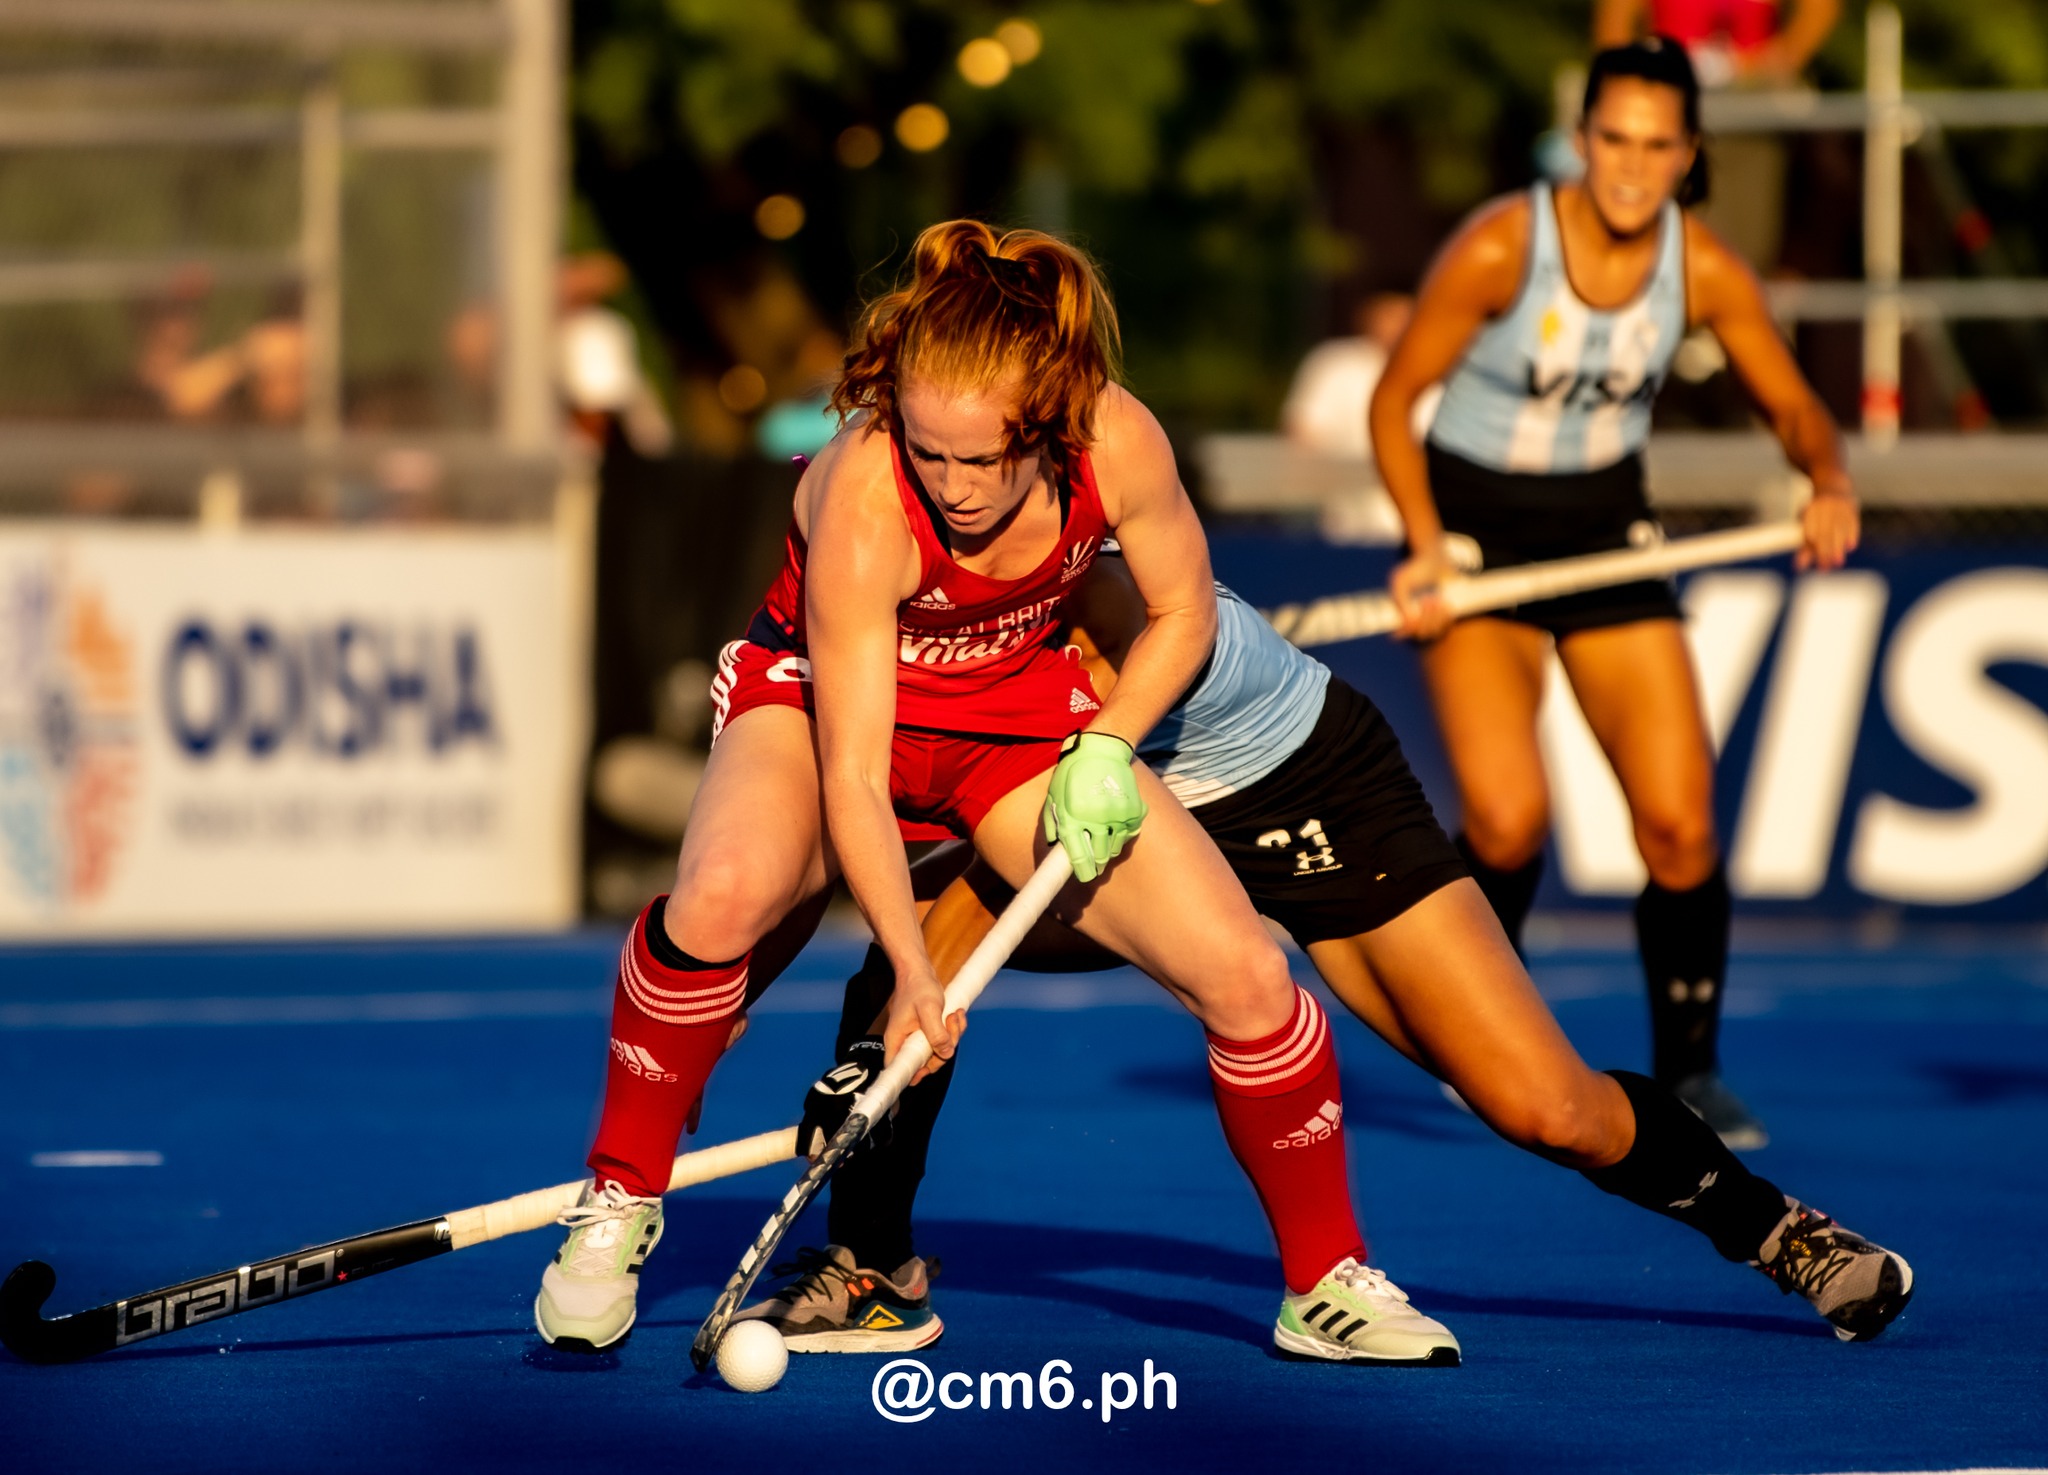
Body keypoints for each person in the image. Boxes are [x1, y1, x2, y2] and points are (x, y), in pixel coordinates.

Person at [533, 220, 1458, 1366]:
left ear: (1052, 414)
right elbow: (858, 776)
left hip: (1015, 721)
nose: (956, 487)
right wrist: (911, 975)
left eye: (985, 458)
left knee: (1247, 971)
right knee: (722, 892)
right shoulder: (864, 497)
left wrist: (1110, 746)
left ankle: (1325, 1278)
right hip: (825, 705)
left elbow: (1184, 613)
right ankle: (619, 1194)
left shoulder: (1116, 440)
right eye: (931, 452)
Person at [739, 550, 1913, 1354]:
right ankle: (873, 1265)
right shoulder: (875, 611)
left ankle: (1772, 1228)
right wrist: (785, 993)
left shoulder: (1050, 584)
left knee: (1544, 1104)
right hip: (1128, 824)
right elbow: (896, 844)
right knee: (898, 979)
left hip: (1304, 790)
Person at [1366, 39, 1861, 1149]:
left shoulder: (1703, 268)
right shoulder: (1502, 245)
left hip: (1605, 536)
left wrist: (1825, 479)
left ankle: (1689, 1068)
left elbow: (1793, 407)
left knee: (1679, 825)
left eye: (1657, 145)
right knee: (1505, 814)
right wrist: (1424, 542)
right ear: (1581, 141)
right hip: (1476, 539)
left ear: (1687, 154)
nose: (1632, 167)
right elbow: (1394, 400)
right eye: (1613, 141)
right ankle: (1472, 1031)